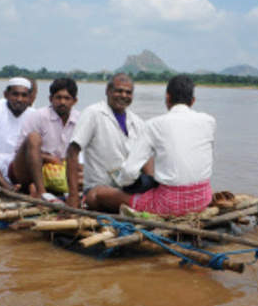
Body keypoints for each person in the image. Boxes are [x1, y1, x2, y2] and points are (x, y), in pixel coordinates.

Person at [85, 75, 215, 216]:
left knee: (96, 194)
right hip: (203, 199)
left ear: (167, 98)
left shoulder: (154, 125)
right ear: (193, 100)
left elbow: (129, 172)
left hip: (168, 205)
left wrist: (124, 185)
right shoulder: (209, 121)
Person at [66, 73, 148, 208]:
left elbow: (146, 160)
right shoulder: (93, 113)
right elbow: (72, 152)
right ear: (108, 91)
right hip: (98, 190)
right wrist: (73, 195)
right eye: (119, 91)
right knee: (101, 195)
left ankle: (140, 202)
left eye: (128, 92)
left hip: (128, 188)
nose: (123, 95)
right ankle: (141, 204)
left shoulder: (137, 122)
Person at [24, 77, 80, 195]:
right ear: (50, 99)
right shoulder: (38, 116)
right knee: (33, 137)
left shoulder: (80, 119)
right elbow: (22, 150)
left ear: (75, 101)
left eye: (67, 98)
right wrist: (48, 158)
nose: (62, 102)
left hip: (62, 169)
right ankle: (41, 191)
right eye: (58, 98)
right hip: (35, 167)